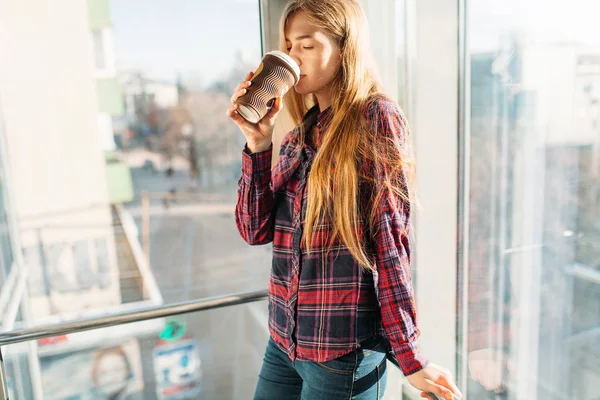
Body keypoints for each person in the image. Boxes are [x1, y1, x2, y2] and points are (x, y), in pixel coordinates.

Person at [226, 1, 463, 399]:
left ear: (345, 48)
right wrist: (257, 143)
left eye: (306, 45)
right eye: (287, 45)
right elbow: (254, 230)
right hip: (283, 343)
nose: (291, 57)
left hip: (342, 354)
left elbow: (390, 242)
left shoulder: (375, 117)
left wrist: (411, 358)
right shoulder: (297, 137)